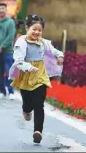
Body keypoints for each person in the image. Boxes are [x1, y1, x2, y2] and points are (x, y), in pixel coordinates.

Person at [9, 14, 64, 144]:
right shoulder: (21, 41)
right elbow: (18, 60)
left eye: (39, 30)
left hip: (40, 75)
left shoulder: (43, 42)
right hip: (26, 74)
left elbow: (53, 50)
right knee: (28, 101)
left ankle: (37, 131)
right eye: (34, 29)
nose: (37, 32)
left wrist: (60, 56)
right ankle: (26, 110)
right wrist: (27, 67)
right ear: (27, 28)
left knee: (39, 103)